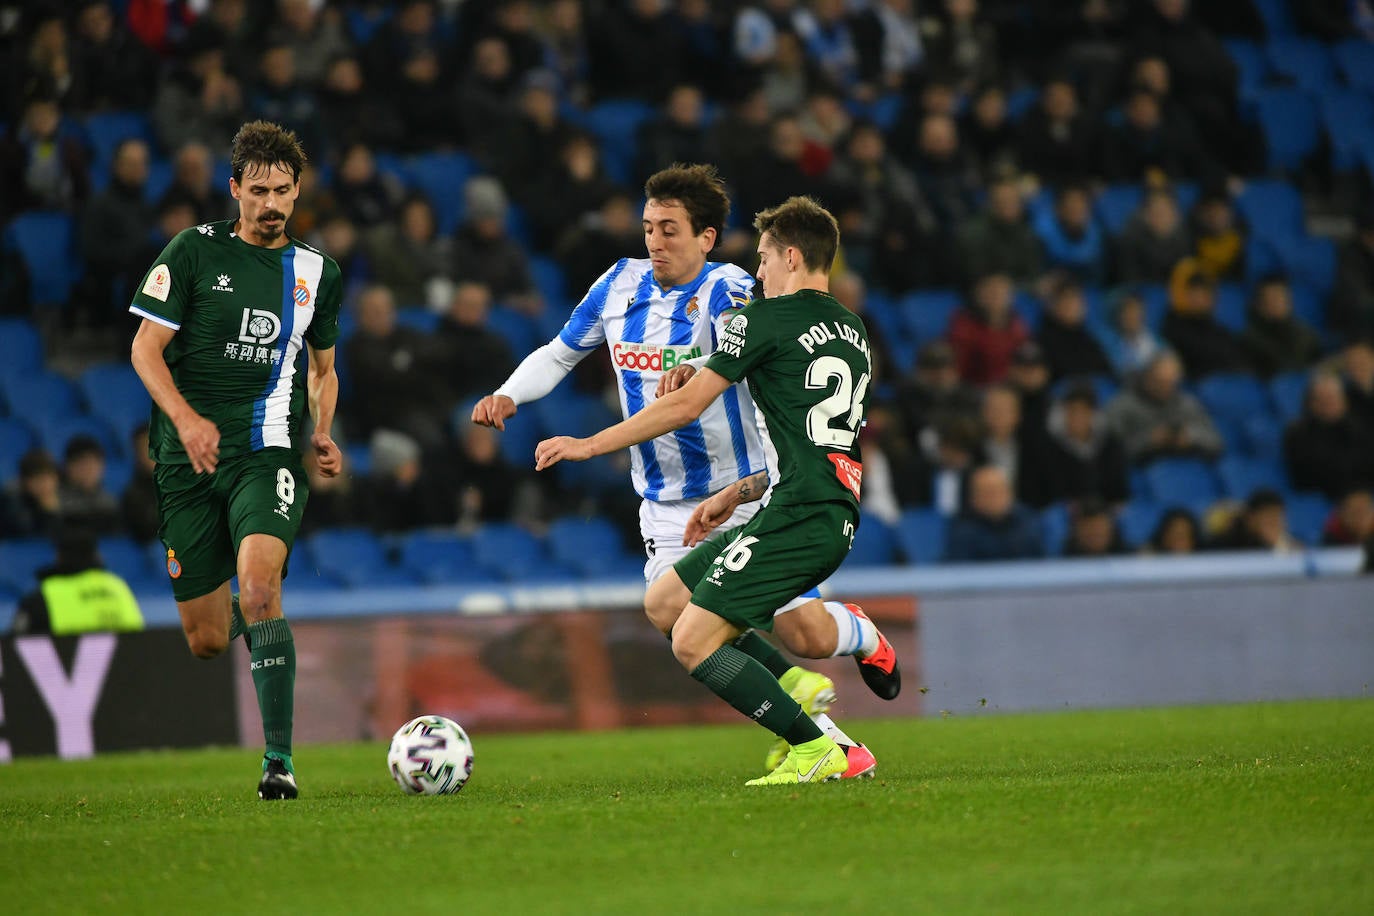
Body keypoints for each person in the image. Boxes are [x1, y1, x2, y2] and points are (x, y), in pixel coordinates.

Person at [473, 169, 892, 781]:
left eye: (670, 230)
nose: (655, 242)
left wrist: (612, 429)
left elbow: (760, 353)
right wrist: (510, 394)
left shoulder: (734, 289)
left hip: (746, 486)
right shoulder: (618, 284)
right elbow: (562, 352)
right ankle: (821, 740)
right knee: (670, 611)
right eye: (648, 228)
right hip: (665, 500)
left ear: (706, 238)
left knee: (797, 631)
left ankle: (857, 641)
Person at [128, 121, 343, 801]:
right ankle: (253, 619)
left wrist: (324, 428)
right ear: (234, 190)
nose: (272, 203)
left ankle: (277, 762)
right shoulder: (192, 252)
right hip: (184, 462)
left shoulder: (318, 273)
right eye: (259, 191)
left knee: (259, 588)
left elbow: (324, 368)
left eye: (283, 190)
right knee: (208, 640)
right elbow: (144, 349)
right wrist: (186, 421)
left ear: (298, 189)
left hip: (266, 451)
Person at [10, 527, 144, 636]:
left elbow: (13, 648)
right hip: (127, 665)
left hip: (65, 666)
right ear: (96, 555)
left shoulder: (45, 595)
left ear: (59, 557)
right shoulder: (118, 585)